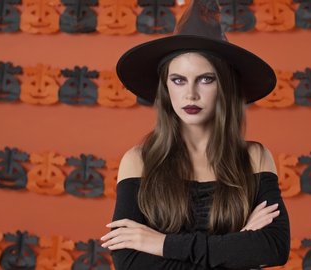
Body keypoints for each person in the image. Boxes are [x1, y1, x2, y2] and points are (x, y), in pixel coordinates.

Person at [99, 0, 290, 269]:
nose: (191, 94)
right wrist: (239, 244)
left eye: (206, 79)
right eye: (178, 80)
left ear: (225, 86)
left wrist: (161, 243)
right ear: (166, 88)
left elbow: (274, 248)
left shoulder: (254, 157)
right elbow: (129, 262)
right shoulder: (138, 160)